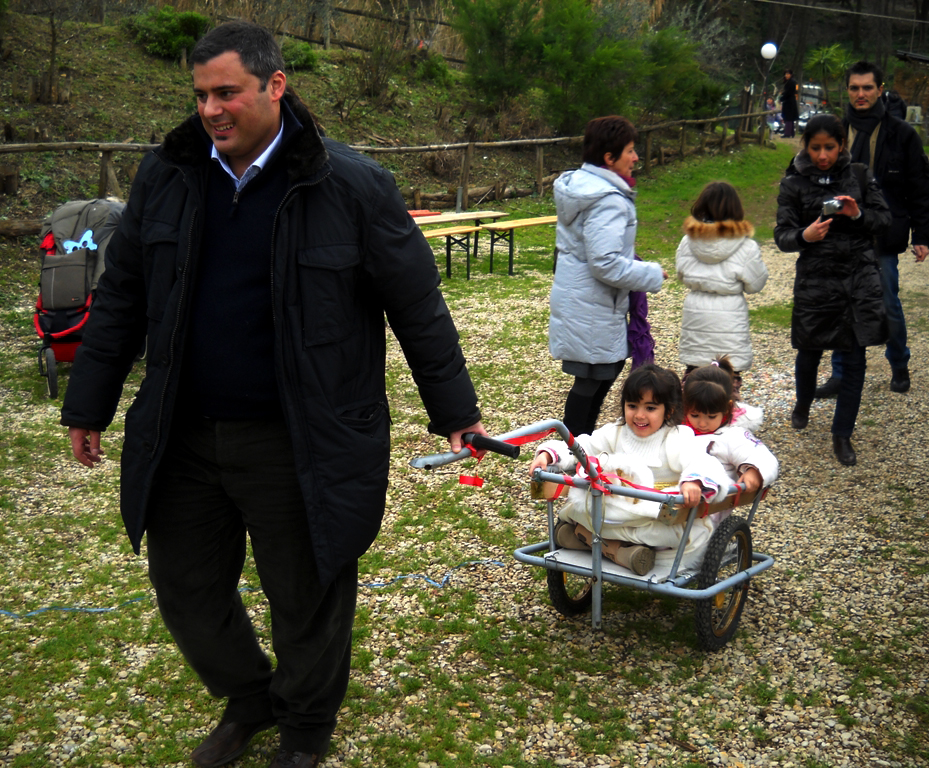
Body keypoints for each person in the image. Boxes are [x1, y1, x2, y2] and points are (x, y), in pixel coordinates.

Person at [60, 21, 486, 768]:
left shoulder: (349, 184)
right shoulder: (167, 175)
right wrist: (88, 402)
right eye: (200, 95)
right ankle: (249, 696)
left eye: (226, 93)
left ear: (275, 86)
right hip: (184, 431)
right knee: (185, 588)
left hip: (300, 436)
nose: (210, 110)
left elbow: (416, 302)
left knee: (306, 596)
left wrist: (454, 411)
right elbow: (122, 292)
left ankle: (306, 726)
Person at [528, 364, 730, 575]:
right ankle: (618, 550)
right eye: (632, 406)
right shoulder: (615, 432)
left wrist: (694, 481)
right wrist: (549, 455)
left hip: (653, 515)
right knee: (581, 509)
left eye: (650, 408)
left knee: (674, 533)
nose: (639, 415)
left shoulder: (677, 437)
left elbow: (702, 460)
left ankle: (589, 540)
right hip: (615, 512)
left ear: (669, 410)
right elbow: (581, 447)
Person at [774, 114, 890, 466]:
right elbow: (782, 235)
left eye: (829, 147)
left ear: (842, 145)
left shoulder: (859, 175)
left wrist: (857, 215)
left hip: (858, 281)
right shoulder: (793, 182)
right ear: (805, 146)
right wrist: (804, 236)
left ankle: (842, 434)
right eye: (815, 148)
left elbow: (884, 220)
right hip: (816, 281)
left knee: (855, 360)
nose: (822, 155)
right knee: (809, 351)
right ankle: (803, 402)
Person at [816, 60, 929, 399]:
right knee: (842, 305)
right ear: (847, 91)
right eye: (854, 88)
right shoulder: (834, 132)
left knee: (887, 304)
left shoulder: (902, 134)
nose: (861, 94)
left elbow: (920, 187)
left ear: (880, 90)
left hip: (883, 233)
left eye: (867, 87)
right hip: (840, 233)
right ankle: (840, 373)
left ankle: (899, 363)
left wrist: (922, 235)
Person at [549, 116, 667, 438]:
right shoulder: (608, 200)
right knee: (593, 379)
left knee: (599, 376)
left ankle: (580, 445)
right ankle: (573, 448)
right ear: (609, 158)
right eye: (630, 151)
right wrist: (650, 273)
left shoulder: (585, 188)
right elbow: (606, 263)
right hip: (592, 304)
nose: (636, 157)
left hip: (585, 300)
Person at [676, 181, 769, 399]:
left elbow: (681, 274)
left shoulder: (688, 241)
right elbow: (756, 284)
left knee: (695, 381)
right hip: (730, 315)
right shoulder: (746, 246)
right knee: (727, 384)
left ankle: (692, 416)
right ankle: (728, 416)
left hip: (697, 313)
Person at [682, 357, 779, 506]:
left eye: (711, 417)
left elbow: (763, 457)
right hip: (671, 494)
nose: (702, 423)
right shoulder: (677, 428)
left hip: (709, 505)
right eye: (694, 415)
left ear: (727, 409)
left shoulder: (732, 435)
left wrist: (755, 472)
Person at [779, 70, 799, 139]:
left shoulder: (792, 82)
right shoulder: (788, 82)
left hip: (789, 102)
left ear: (791, 75)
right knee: (789, 118)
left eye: (788, 74)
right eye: (785, 74)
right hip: (789, 101)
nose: (786, 75)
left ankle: (787, 133)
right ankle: (791, 133)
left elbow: (789, 92)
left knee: (788, 118)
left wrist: (782, 98)